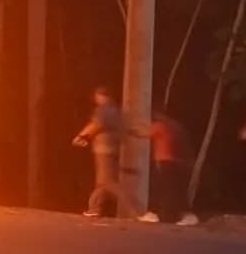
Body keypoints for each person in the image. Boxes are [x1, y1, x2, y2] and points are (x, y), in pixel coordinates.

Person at [73, 86, 130, 217]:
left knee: (110, 184)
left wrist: (81, 136)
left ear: (102, 96)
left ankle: (139, 212)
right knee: (102, 183)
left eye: (97, 96)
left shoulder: (103, 109)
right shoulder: (116, 111)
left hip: (103, 150)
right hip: (113, 149)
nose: (96, 99)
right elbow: (123, 130)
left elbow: (95, 125)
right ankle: (94, 209)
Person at [136, 108, 198, 225]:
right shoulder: (178, 127)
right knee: (173, 190)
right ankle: (170, 215)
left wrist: (129, 130)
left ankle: (160, 214)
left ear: (160, 115)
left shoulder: (160, 125)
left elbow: (142, 133)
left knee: (162, 189)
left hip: (165, 162)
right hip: (180, 162)